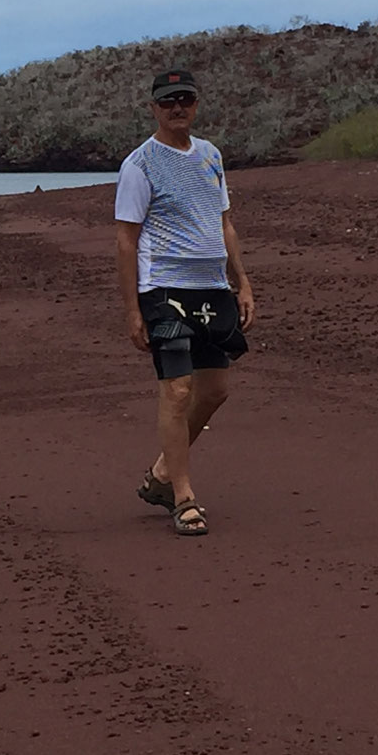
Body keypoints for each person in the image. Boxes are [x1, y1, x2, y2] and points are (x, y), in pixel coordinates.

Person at [114, 68, 256, 537]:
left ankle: (160, 474)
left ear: (196, 103)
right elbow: (126, 240)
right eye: (169, 100)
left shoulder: (211, 156)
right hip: (163, 289)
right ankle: (184, 497)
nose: (179, 107)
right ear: (154, 107)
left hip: (213, 290)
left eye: (186, 99)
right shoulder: (140, 165)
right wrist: (134, 308)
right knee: (176, 391)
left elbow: (225, 223)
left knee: (215, 391)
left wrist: (243, 282)